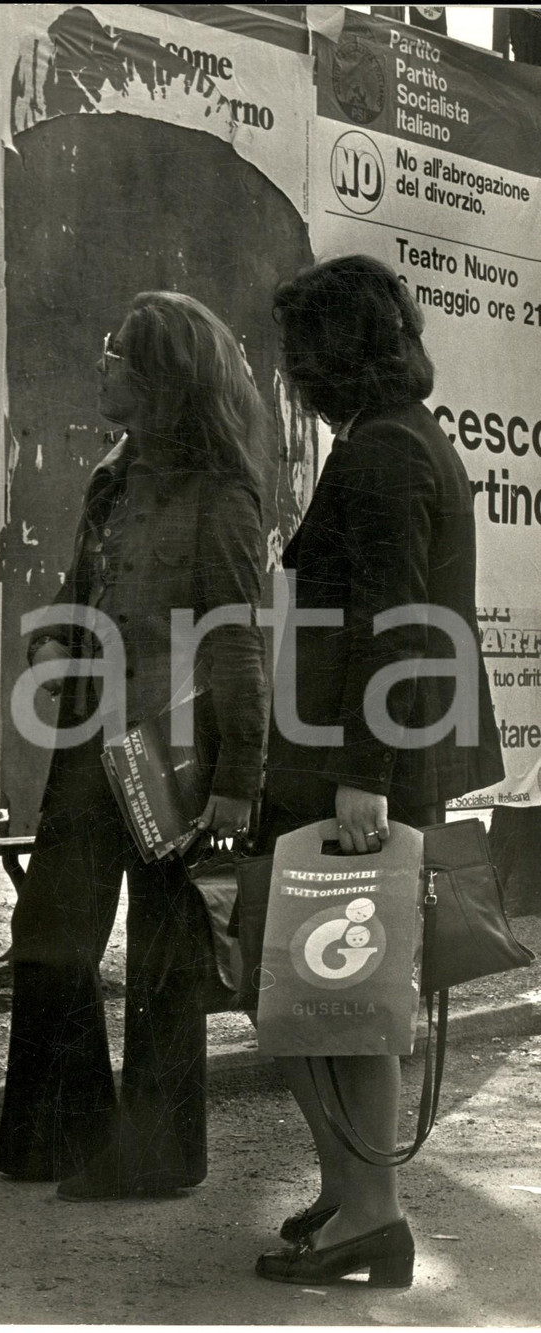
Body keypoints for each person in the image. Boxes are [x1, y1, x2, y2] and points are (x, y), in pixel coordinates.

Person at [254, 255, 504, 1285]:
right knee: (335, 983)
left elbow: (389, 622)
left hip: (355, 764)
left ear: (328, 355)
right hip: (367, 754)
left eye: (298, 350)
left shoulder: (384, 455)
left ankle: (370, 1206)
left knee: (328, 986)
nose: (289, 370)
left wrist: (363, 774)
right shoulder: (404, 441)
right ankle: (354, 1191)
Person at [0, 291, 269, 1199]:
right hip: (90, 741)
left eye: (116, 353)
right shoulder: (111, 475)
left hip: (174, 753)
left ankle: (159, 1156)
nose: (100, 363)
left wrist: (239, 782)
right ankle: (64, 1136)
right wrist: (55, 636)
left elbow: (237, 639)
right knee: (47, 930)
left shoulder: (221, 492)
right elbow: (83, 590)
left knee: (164, 955)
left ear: (159, 380)